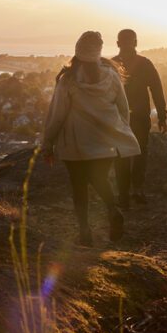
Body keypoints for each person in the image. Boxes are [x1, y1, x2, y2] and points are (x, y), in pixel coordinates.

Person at [42, 31, 140, 246]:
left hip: (75, 143)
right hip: (105, 141)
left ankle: (84, 232)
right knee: (99, 179)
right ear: (99, 53)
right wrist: (118, 133)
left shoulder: (68, 80)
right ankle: (112, 210)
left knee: (79, 186)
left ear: (77, 52)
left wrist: (47, 143)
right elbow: (123, 109)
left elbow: (57, 116)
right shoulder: (112, 75)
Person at [112, 29, 167, 207]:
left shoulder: (111, 64)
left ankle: (125, 194)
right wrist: (162, 116)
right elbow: (157, 90)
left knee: (123, 155)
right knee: (138, 153)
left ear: (118, 43)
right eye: (127, 41)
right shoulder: (144, 63)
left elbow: (157, 90)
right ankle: (134, 191)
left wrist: (162, 116)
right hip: (132, 116)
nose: (128, 45)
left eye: (129, 41)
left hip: (122, 118)